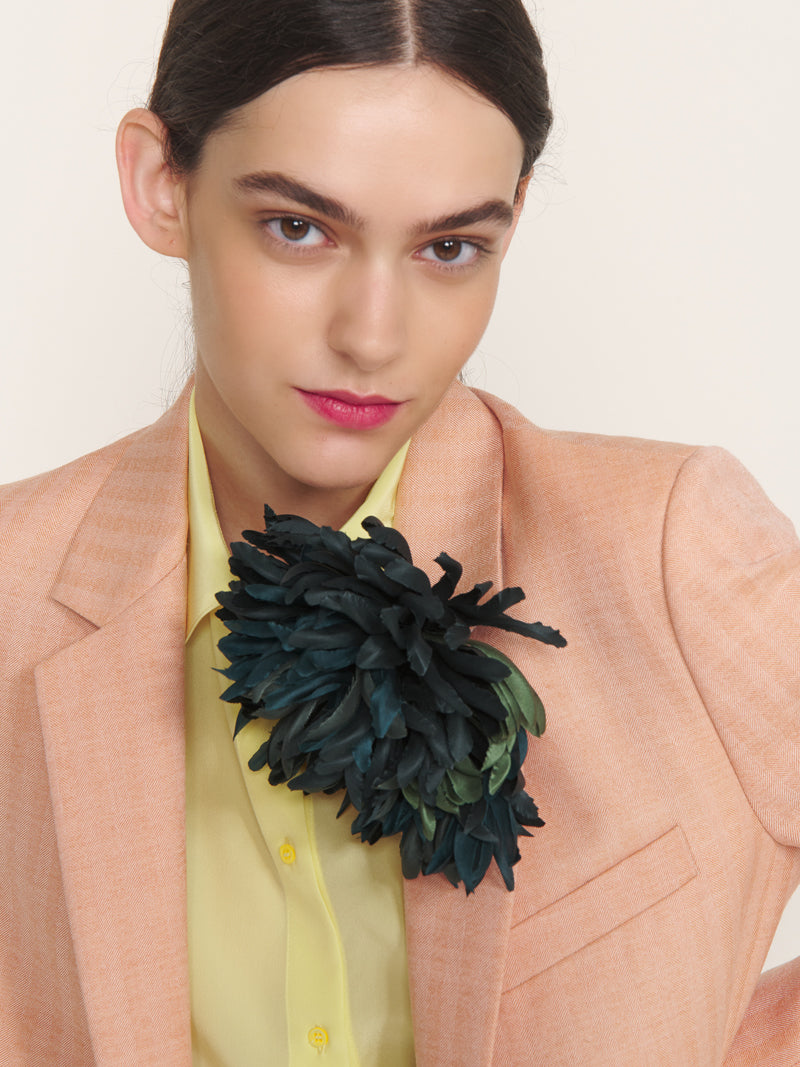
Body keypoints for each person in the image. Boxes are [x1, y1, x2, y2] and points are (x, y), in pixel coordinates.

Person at [0, 0, 797, 1064]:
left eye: (449, 247)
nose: (372, 336)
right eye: (298, 227)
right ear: (161, 185)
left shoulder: (667, 547)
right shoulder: (12, 589)